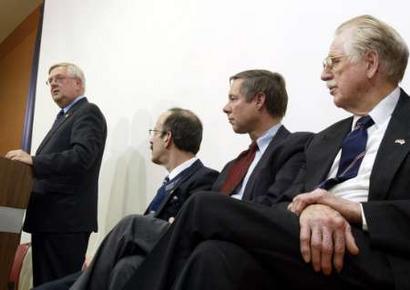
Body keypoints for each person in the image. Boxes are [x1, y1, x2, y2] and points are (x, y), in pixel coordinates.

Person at [123, 15, 410, 290]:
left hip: (373, 253)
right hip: (307, 241)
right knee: (212, 256)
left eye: (333, 62)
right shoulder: (325, 139)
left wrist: (355, 211)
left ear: (370, 63)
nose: (324, 74)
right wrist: (312, 207)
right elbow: (285, 202)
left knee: (202, 206)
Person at [36, 69, 312, 290]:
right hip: (196, 235)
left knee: (131, 226)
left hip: (229, 242)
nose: (226, 108)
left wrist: (206, 219)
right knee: (126, 265)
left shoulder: (295, 146)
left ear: (259, 100)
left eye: (233, 98)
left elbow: (275, 208)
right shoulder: (233, 166)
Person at [33, 107, 219, 290]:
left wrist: (107, 256)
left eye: (154, 132)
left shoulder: (204, 179)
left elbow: (182, 235)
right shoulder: (170, 182)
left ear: (167, 137)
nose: (150, 139)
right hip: (137, 265)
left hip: (165, 269)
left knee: (130, 233)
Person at [5, 63, 107, 286]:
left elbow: (82, 157)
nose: (53, 84)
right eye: (49, 80)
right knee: (45, 285)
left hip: (65, 222)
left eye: (59, 78)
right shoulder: (64, 117)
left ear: (78, 83)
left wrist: (33, 160)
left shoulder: (88, 113)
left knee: (57, 285)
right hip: (49, 220)